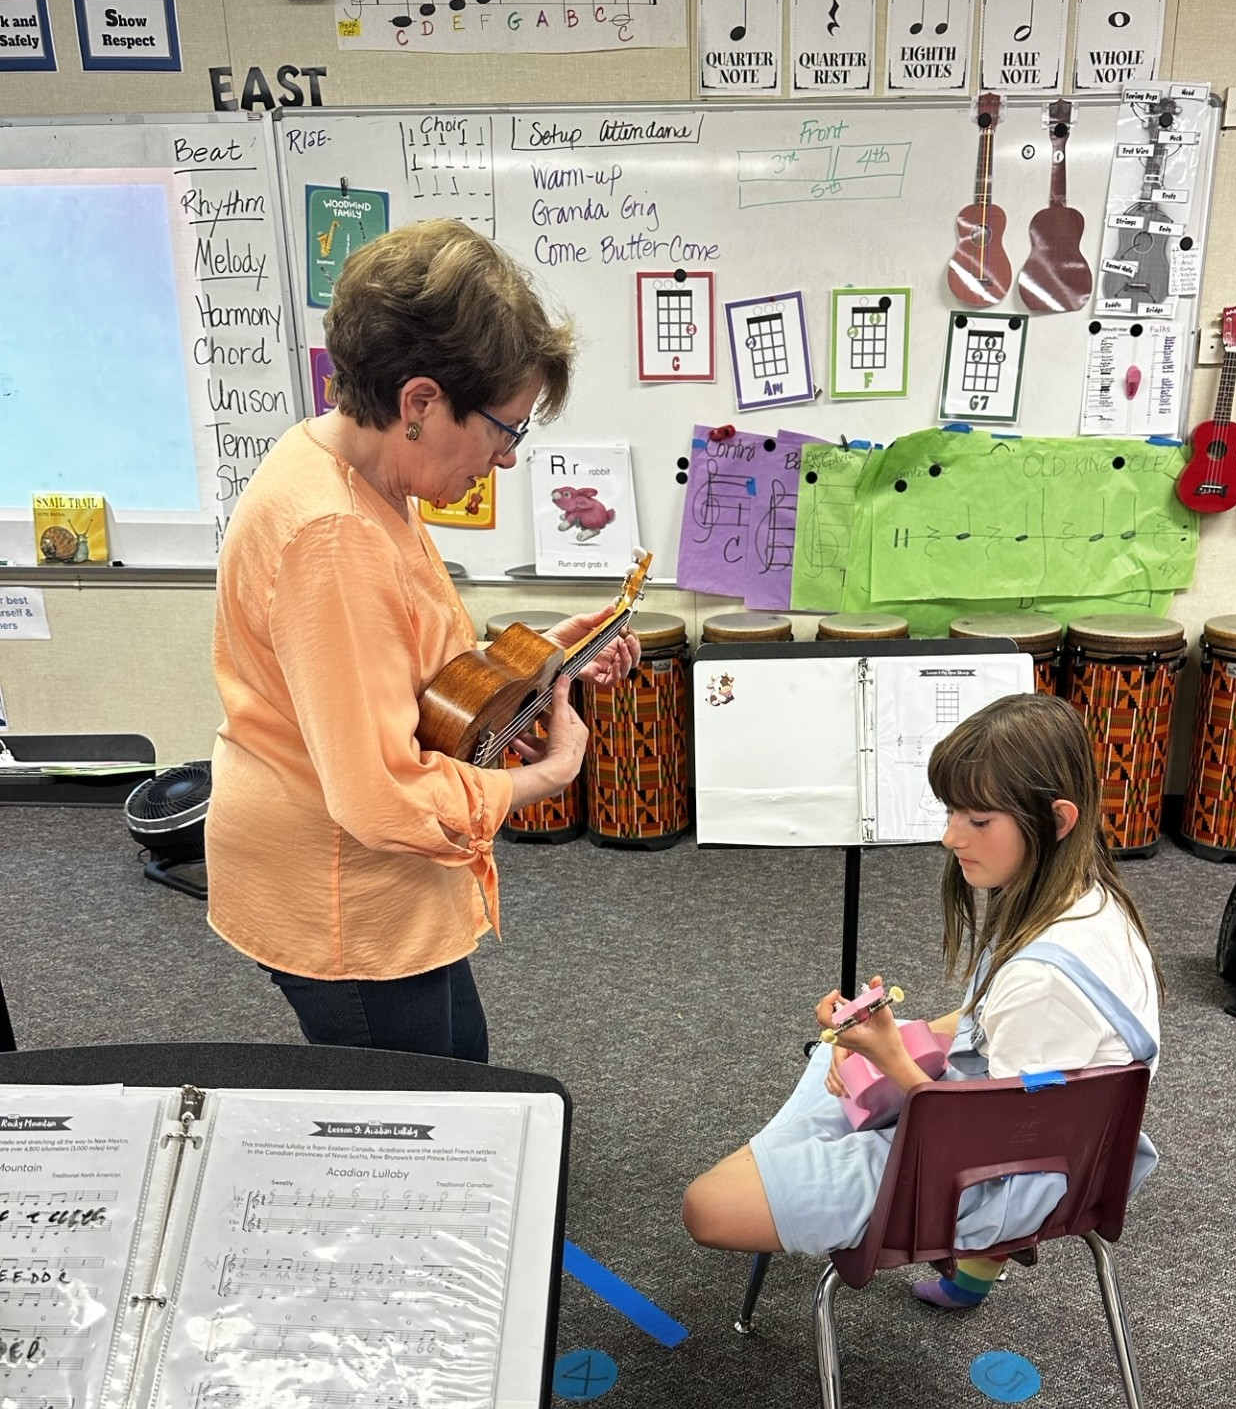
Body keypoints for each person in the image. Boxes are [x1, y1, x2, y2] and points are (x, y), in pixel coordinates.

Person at [206, 220, 639, 1061]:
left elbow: (398, 667)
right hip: (344, 894)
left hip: (385, 875)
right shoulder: (332, 535)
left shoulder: (353, 470)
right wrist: (550, 776)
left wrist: (538, 656)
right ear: (419, 402)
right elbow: (379, 799)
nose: (508, 462)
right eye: (504, 429)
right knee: (410, 1140)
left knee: (463, 1079)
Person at [683, 693, 1163, 1310]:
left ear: (1058, 819)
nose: (949, 837)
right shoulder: (1090, 899)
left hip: (1001, 1175)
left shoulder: (1043, 979)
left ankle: (795, 1170)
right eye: (952, 813)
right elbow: (991, 1025)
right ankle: (958, 1273)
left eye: (978, 821)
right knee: (834, 1073)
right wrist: (892, 1034)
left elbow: (997, 1136)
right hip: (1063, 1144)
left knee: (708, 1206)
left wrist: (889, 1058)